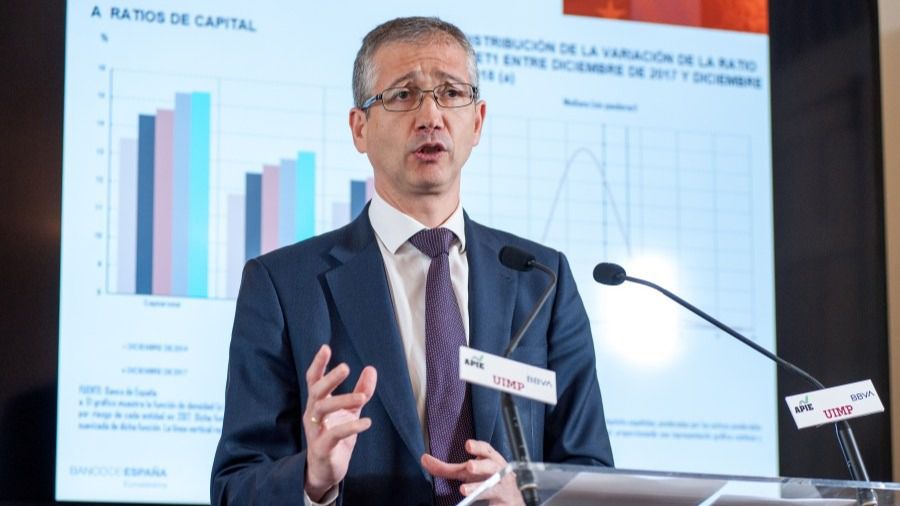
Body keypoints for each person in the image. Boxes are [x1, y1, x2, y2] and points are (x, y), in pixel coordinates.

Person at [211, 16, 613, 506]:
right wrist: (313, 478)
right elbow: (234, 487)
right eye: (402, 95)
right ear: (359, 128)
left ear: (477, 121)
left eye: (450, 93)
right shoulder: (282, 285)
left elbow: (591, 475)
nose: (431, 116)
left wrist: (525, 497)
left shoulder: (542, 282)